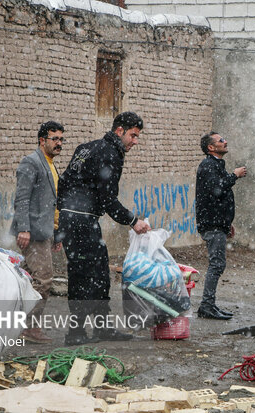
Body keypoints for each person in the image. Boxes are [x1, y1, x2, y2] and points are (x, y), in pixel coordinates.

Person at [57, 112, 150, 345]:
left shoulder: (86, 148)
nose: (135, 142)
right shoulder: (111, 153)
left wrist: (63, 217)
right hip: (83, 222)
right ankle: (77, 333)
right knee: (91, 276)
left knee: (87, 273)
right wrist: (133, 220)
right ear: (119, 131)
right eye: (133, 136)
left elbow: (64, 182)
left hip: (73, 220)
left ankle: (99, 328)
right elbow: (108, 199)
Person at [10, 121, 65, 344]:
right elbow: (22, 198)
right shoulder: (30, 162)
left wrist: (56, 232)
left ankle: (15, 322)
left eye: (61, 139)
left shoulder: (50, 164)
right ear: (42, 140)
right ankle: (30, 328)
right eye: (55, 139)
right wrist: (23, 228)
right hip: (32, 232)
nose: (59, 143)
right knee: (43, 280)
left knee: (24, 279)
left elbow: (52, 202)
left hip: (45, 231)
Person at [195, 132, 247, 320]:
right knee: (216, 264)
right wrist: (234, 175)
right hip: (211, 223)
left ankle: (209, 305)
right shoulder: (208, 165)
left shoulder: (216, 164)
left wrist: (227, 223)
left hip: (218, 223)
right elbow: (217, 189)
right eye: (220, 140)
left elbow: (220, 195)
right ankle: (206, 306)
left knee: (217, 264)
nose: (225, 141)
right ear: (211, 148)